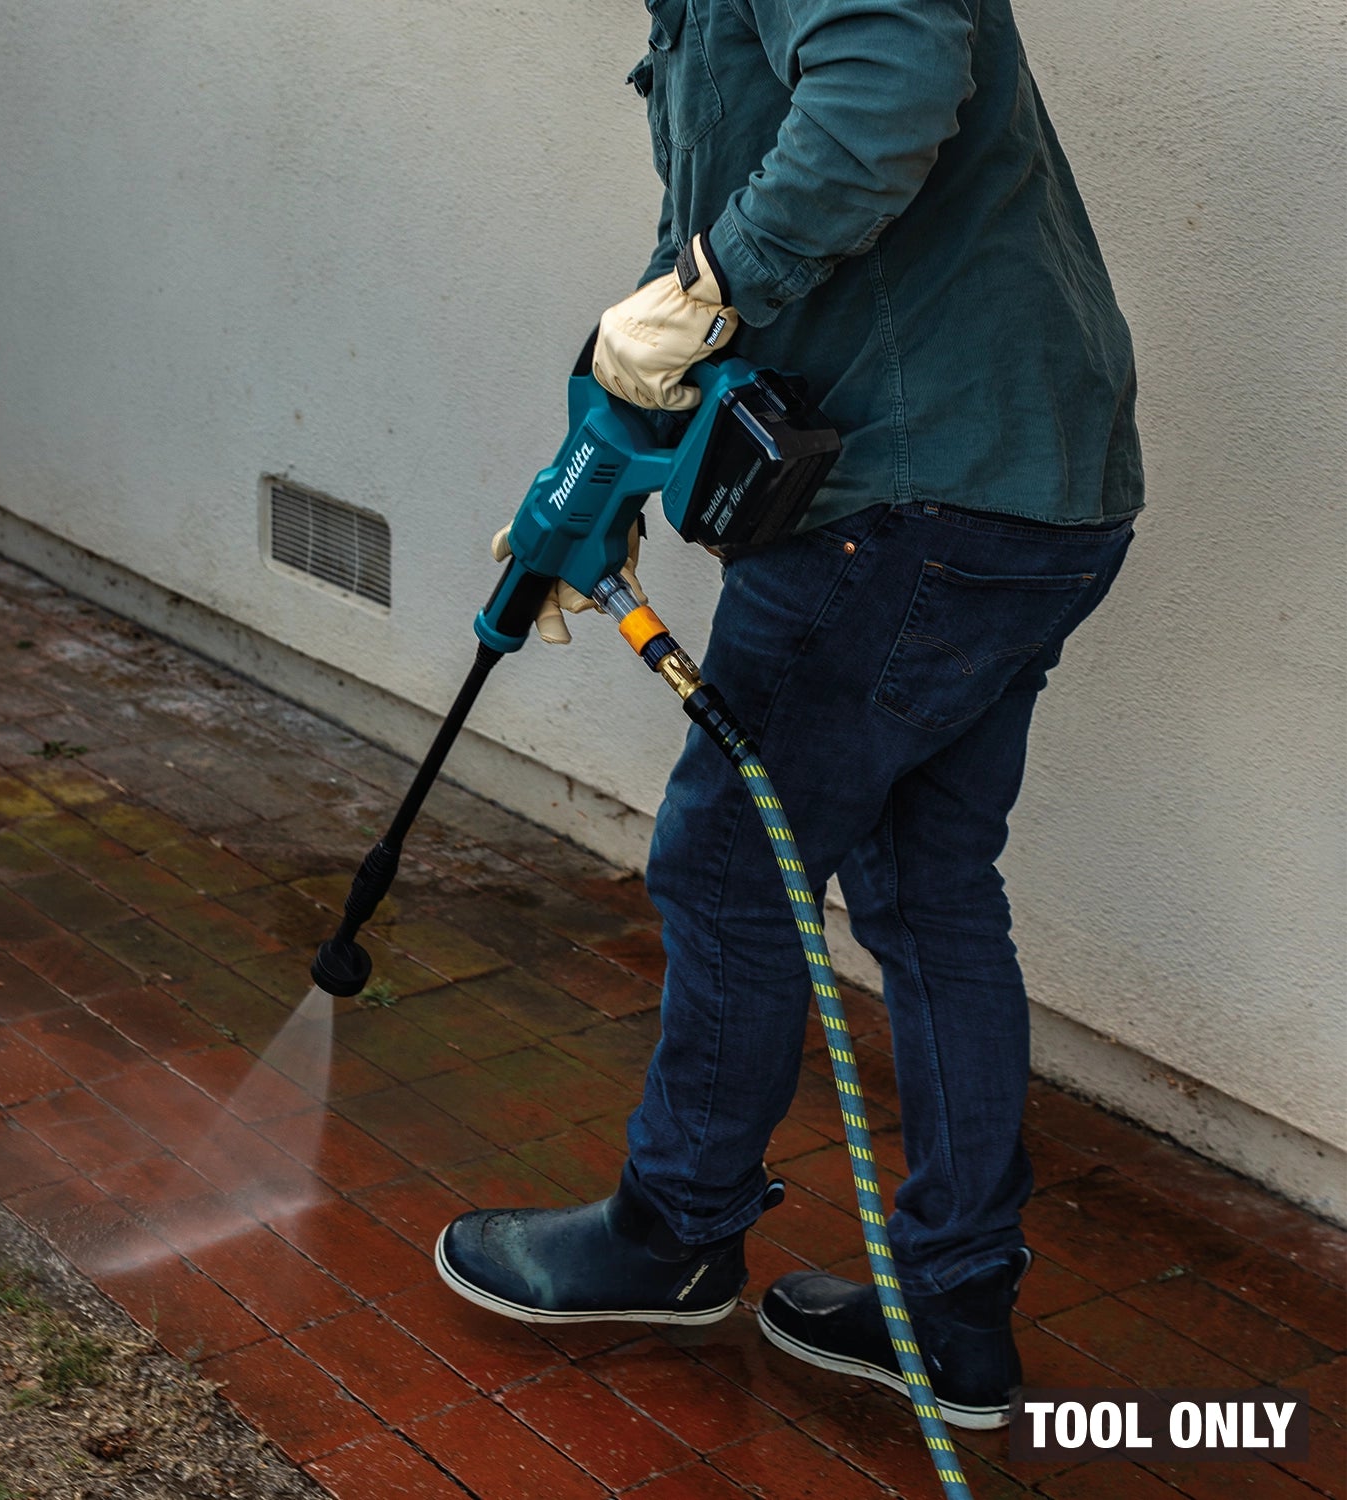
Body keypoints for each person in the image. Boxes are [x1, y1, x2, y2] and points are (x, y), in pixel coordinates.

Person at [436, 0, 1142, 1431]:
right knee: (928, 883)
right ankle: (951, 1308)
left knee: (728, 863)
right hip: (1027, 485)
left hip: (906, 496)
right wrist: (611, 429)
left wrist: (702, 297)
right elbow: (724, 218)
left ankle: (673, 1232)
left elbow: (879, 100)